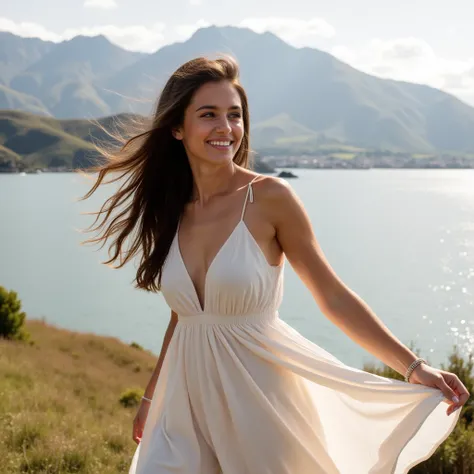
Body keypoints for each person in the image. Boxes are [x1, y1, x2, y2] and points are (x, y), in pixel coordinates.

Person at [81, 56, 468, 474]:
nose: (225, 128)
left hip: (260, 404)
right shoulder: (174, 209)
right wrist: (151, 398)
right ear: (177, 128)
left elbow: (333, 296)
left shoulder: (269, 198)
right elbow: (185, 316)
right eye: (208, 115)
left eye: (234, 115)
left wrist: (413, 367)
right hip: (183, 409)